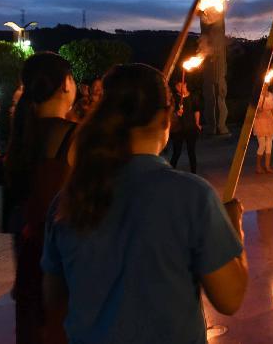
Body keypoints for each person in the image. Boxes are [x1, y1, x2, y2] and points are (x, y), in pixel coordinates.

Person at [42, 64, 248, 343]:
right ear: (165, 118)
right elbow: (230, 297)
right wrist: (234, 226)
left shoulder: (68, 200)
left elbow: (53, 294)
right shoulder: (192, 196)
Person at [3, 52, 77, 344]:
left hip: (30, 254)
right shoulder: (76, 138)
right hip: (66, 257)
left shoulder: (21, 136)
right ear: (65, 85)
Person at [169, 81, 201, 174]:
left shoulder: (193, 97)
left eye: (180, 85)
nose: (179, 88)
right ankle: (170, 172)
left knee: (191, 151)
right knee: (176, 152)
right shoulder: (174, 98)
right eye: (177, 86)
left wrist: (197, 123)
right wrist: (176, 113)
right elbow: (169, 113)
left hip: (190, 128)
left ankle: (194, 173)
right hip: (178, 129)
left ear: (185, 84)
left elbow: (196, 110)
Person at [253, 83, 273, 174]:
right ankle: (258, 166)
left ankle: (267, 166)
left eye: (266, 84)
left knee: (269, 144)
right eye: (264, 84)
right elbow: (256, 110)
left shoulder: (270, 95)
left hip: (269, 120)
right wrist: (258, 108)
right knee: (262, 144)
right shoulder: (258, 96)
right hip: (260, 120)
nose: (265, 85)